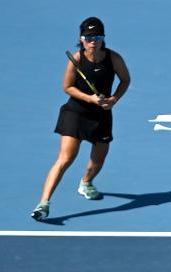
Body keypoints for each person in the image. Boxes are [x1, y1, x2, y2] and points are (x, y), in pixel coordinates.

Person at [31, 17, 131, 221]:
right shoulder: (76, 59)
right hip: (76, 113)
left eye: (98, 37)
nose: (93, 41)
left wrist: (113, 99)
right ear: (82, 38)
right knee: (66, 158)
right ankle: (43, 204)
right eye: (89, 37)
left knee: (99, 159)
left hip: (102, 114)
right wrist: (90, 98)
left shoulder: (114, 58)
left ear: (103, 38)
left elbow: (125, 80)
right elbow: (67, 87)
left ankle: (86, 182)